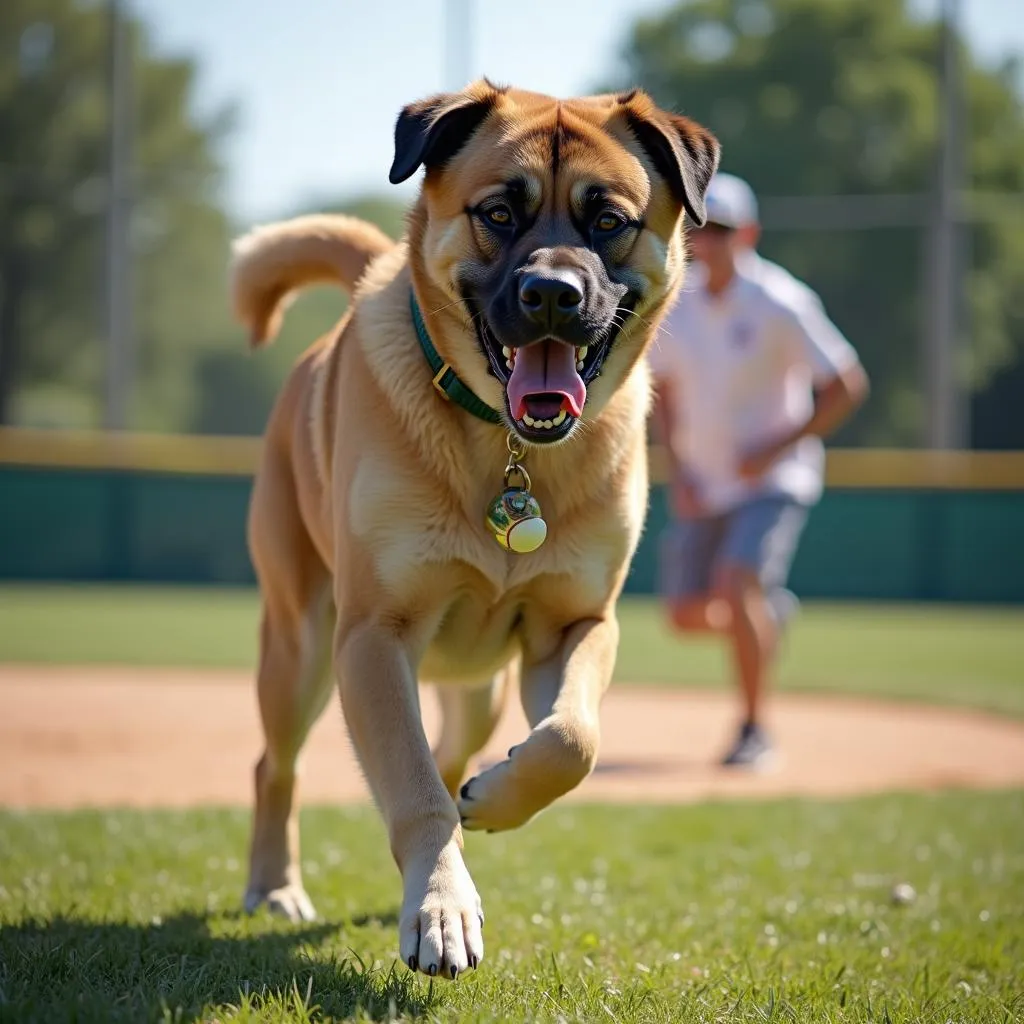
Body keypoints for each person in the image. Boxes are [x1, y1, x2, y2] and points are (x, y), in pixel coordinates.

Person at [648, 172, 870, 768]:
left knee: (737, 580)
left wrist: (778, 448)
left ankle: (753, 730)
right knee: (684, 615)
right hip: (704, 481)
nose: (707, 242)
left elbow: (847, 385)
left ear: (748, 233)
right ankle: (764, 619)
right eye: (698, 229)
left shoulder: (781, 300)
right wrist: (680, 472)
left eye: (720, 230)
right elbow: (662, 389)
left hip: (774, 481)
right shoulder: (678, 299)